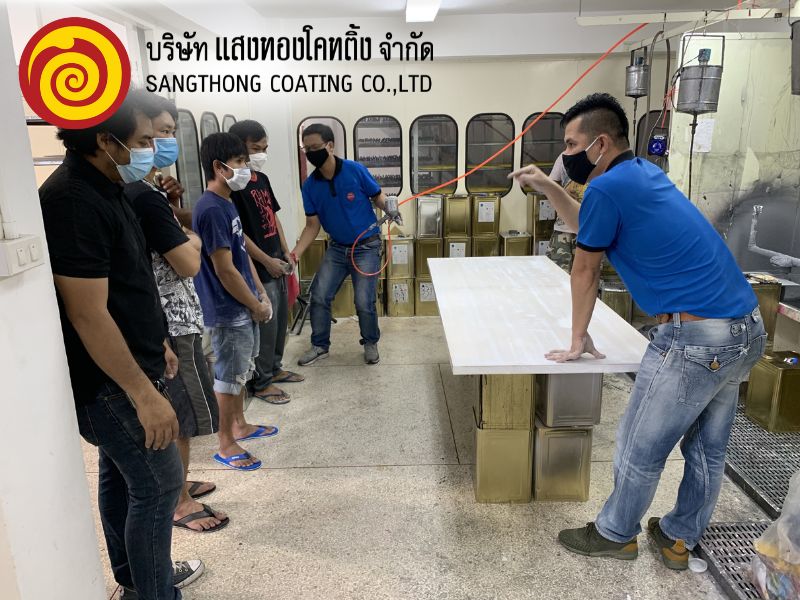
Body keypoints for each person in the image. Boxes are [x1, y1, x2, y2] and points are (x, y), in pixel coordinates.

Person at [511, 93, 765, 570]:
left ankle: (615, 533)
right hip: (744, 329)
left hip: (696, 339)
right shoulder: (641, 174)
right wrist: (548, 185)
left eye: (572, 144)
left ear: (601, 144)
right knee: (706, 449)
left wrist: (577, 338)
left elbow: (584, 269)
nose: (566, 154)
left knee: (638, 444)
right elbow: (585, 224)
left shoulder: (608, 188)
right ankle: (678, 537)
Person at [39, 91, 201, 599]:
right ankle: (155, 592)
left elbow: (129, 284)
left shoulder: (110, 186)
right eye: (144, 140)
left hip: (135, 363)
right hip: (111, 383)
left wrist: (158, 342)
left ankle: (137, 580)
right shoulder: (72, 201)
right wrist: (144, 394)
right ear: (106, 141)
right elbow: (87, 313)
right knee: (159, 487)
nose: (153, 149)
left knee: (122, 477)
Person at [125, 91, 228, 533]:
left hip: (181, 317)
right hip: (172, 322)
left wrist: (176, 215)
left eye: (169, 133)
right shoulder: (142, 196)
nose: (163, 143)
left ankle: (180, 483)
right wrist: (193, 240)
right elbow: (188, 260)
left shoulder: (152, 191)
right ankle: (180, 502)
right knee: (181, 417)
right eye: (154, 135)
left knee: (184, 411)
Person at [193, 132, 276, 471]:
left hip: (243, 304)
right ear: (219, 166)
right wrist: (254, 305)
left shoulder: (227, 202)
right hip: (227, 310)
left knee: (240, 371)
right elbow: (224, 270)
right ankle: (226, 442)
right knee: (228, 377)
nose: (246, 168)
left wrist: (259, 292)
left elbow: (241, 254)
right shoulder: (211, 208)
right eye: (240, 162)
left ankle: (240, 425)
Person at [291, 123, 399, 366]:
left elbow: (377, 196)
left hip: (367, 247)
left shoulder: (354, 170)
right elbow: (312, 226)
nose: (310, 153)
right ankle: (320, 346)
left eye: (315, 147)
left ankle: (370, 342)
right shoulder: (310, 186)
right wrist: (294, 254)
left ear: (330, 146)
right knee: (319, 295)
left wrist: (389, 207)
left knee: (363, 301)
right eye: (306, 149)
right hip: (338, 248)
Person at [228, 119, 305, 404]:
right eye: (255, 148)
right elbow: (239, 234)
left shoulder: (261, 179)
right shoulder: (234, 186)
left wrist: (285, 252)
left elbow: (273, 217)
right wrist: (266, 261)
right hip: (258, 266)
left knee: (281, 320)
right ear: (239, 148)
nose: (261, 154)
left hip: (277, 261)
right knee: (266, 325)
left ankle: (274, 369)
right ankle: (261, 383)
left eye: (265, 148)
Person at [545, 152, 586, 273]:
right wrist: (563, 195)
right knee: (556, 274)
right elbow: (551, 185)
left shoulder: (600, 157)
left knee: (585, 276)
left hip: (588, 231)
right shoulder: (564, 156)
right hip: (563, 229)